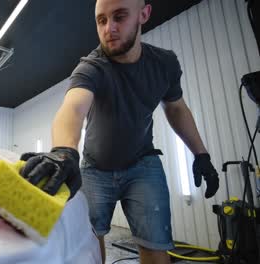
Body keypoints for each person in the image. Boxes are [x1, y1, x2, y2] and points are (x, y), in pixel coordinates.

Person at [19, 0, 220, 263]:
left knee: (154, 244)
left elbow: (177, 109)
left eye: (119, 17)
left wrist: (201, 154)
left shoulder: (165, 64)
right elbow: (73, 108)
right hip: (94, 168)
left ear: (144, 14)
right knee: (90, 241)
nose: (109, 28)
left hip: (143, 164)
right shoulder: (92, 66)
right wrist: (63, 151)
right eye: (101, 20)